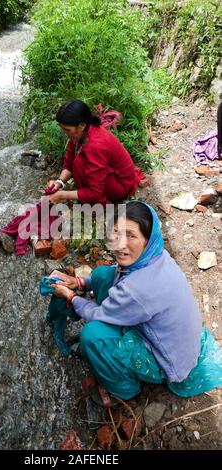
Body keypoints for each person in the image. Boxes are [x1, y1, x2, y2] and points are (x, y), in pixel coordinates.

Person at [48, 200, 222, 404]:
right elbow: (116, 275)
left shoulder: (138, 289)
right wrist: (79, 282)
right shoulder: (158, 256)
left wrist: (70, 296)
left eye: (131, 235)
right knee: (103, 274)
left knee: (92, 336)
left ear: (147, 240)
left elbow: (96, 314)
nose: (121, 244)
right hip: (177, 341)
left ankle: (124, 390)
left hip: (166, 359)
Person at [46, 99, 143, 206]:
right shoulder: (80, 133)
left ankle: (101, 200)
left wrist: (63, 195)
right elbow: (68, 164)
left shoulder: (95, 145)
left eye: (67, 129)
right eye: (63, 129)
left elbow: (95, 193)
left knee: (79, 163)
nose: (65, 133)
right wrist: (59, 182)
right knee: (78, 161)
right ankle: (83, 191)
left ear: (82, 125)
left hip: (120, 185)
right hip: (110, 176)